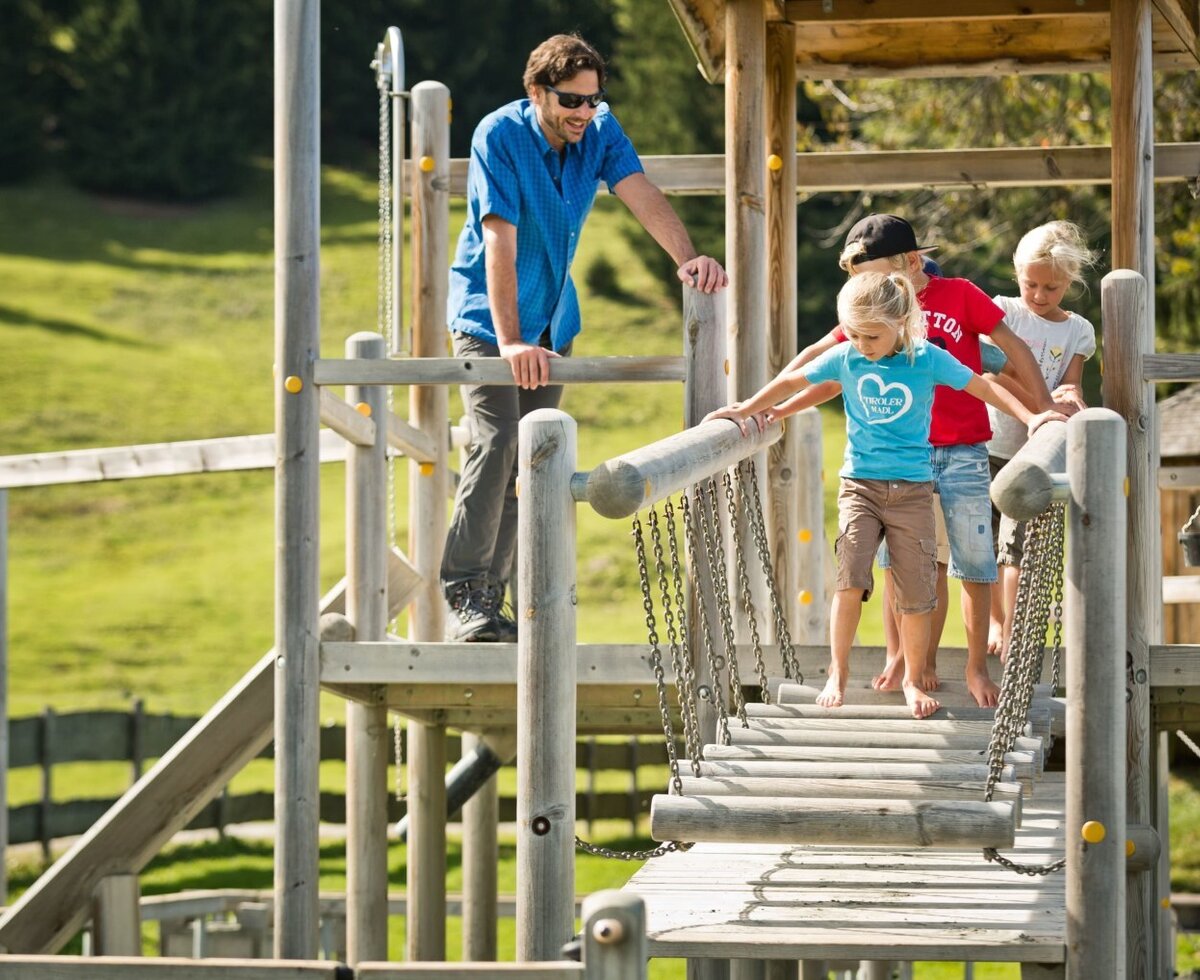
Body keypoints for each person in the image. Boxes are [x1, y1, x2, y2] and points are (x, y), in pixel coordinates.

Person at [441, 34, 727, 642]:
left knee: (531, 460)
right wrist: (510, 341)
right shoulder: (499, 135)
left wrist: (688, 259)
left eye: (593, 99)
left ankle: (496, 607)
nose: (584, 111)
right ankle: (466, 593)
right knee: (496, 442)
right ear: (537, 92)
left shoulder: (598, 129)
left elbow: (639, 191)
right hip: (489, 321)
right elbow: (498, 239)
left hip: (551, 322)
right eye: (571, 100)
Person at [704, 272, 1065, 718]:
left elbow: (983, 385)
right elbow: (795, 380)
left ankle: (913, 679)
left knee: (915, 594)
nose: (862, 344)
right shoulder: (847, 355)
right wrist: (748, 408)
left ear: (901, 322)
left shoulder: (926, 358)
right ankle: (838, 672)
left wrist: (1032, 417)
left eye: (872, 336)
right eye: (854, 334)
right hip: (860, 486)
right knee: (850, 580)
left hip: (912, 492)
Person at [774, 214, 1059, 707]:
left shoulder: (959, 295)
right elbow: (821, 357)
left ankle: (975, 668)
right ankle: (906, 659)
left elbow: (1009, 352)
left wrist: (1043, 410)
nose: (868, 289)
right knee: (908, 564)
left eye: (875, 275)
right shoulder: (874, 312)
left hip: (963, 448)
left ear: (909, 262)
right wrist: (765, 405)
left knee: (974, 562)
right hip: (906, 460)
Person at [985, 221, 1097, 659]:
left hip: (1031, 457)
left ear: (1069, 281)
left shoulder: (1077, 330)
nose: (1038, 295)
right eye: (1030, 284)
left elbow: (1071, 386)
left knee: (1016, 547)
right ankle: (996, 622)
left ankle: (1015, 633)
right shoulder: (1002, 313)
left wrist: (1069, 399)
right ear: (1017, 274)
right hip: (988, 445)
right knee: (984, 544)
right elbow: (993, 372)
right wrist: (1043, 402)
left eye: (1051, 287)